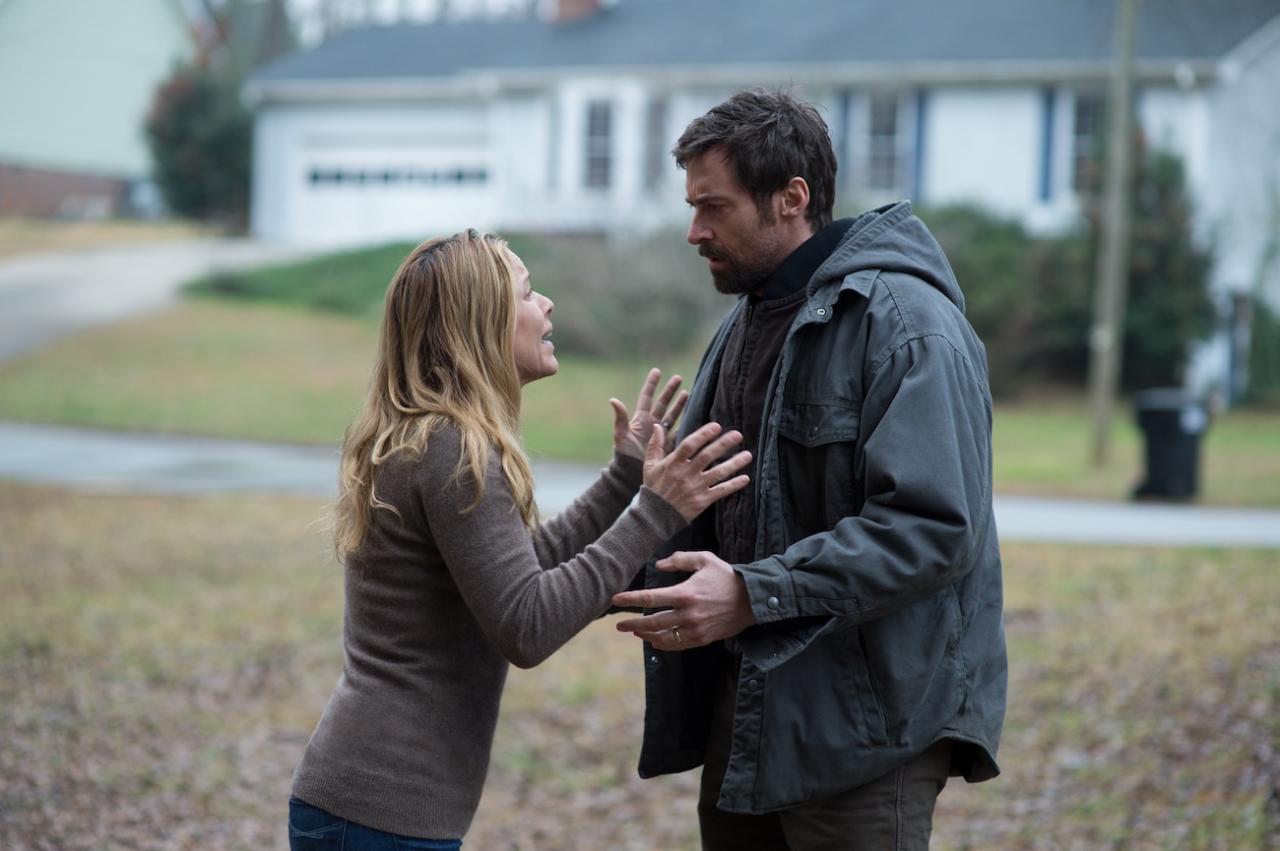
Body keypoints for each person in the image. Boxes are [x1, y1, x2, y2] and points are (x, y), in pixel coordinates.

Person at [611, 89, 1008, 849]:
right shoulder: (749, 318)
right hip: (747, 723)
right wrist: (623, 525)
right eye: (692, 207)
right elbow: (731, 514)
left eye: (714, 207)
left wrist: (751, 594)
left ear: (791, 198)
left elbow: (931, 528)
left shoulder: (907, 325)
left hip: (864, 741)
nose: (695, 231)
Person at [286, 229, 753, 850]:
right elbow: (527, 626)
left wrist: (625, 477)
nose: (547, 304)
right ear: (480, 322)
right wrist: (654, 511)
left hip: (366, 805)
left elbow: (518, 573)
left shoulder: (430, 434)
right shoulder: (454, 448)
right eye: (527, 293)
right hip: (379, 816)